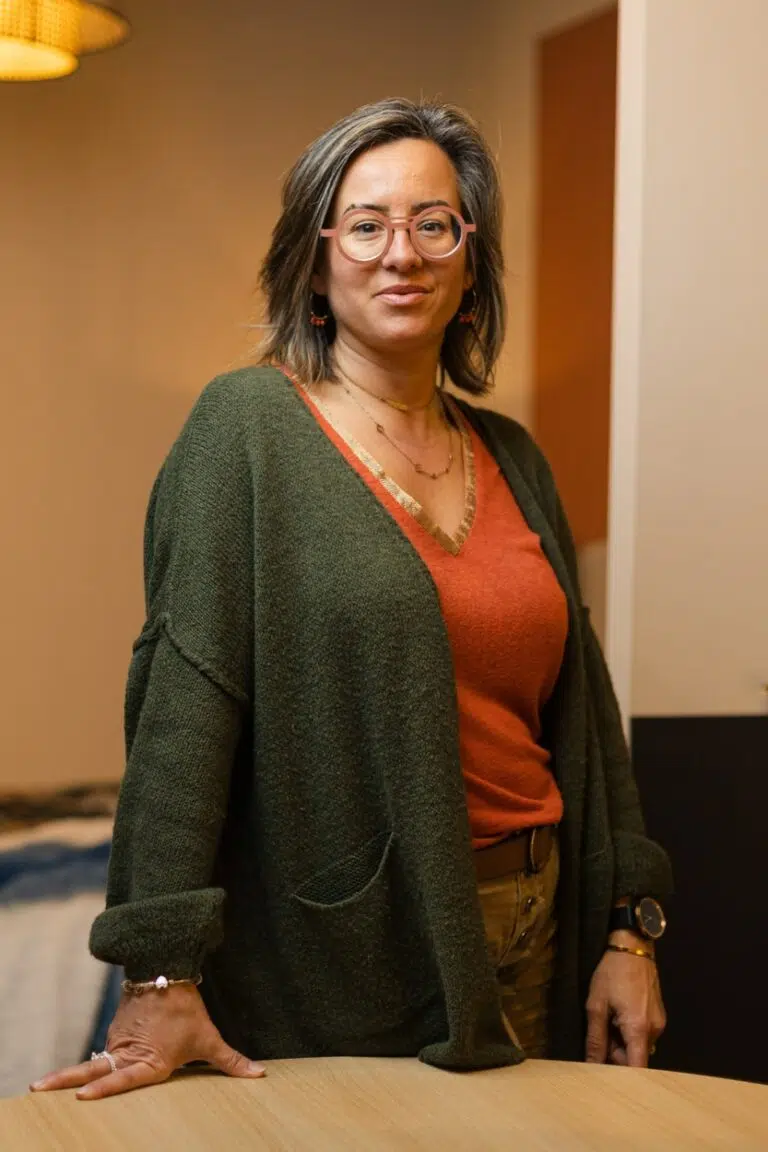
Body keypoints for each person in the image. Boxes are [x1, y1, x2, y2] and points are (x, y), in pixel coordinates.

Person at [31, 98, 671, 1102]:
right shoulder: (243, 430)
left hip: (545, 924)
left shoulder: (514, 456)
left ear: (469, 265)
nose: (399, 253)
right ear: (316, 261)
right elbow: (182, 715)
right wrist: (159, 962)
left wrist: (630, 928)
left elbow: (587, 717)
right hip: (347, 950)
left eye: (434, 224)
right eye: (365, 224)